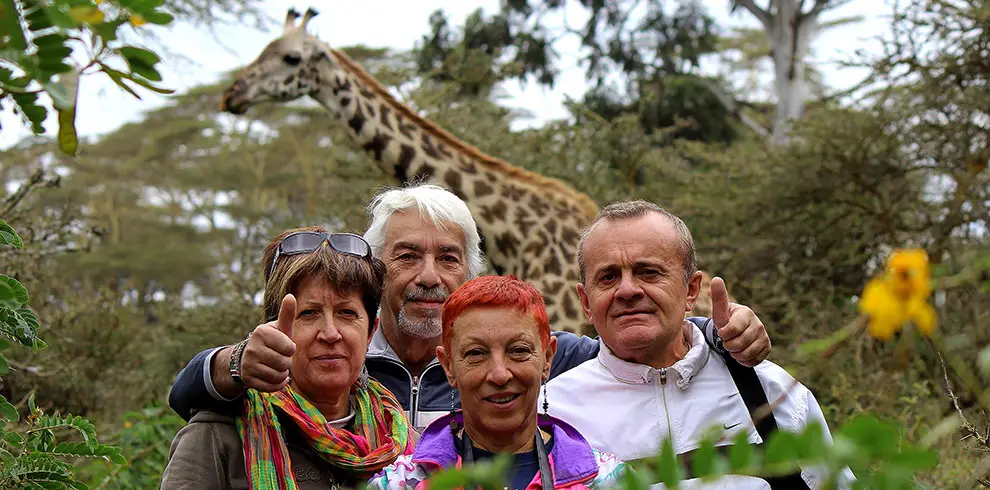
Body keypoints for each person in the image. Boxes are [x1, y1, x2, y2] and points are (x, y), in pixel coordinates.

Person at [167, 184, 773, 431]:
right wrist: (234, 363)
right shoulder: (333, 354)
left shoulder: (530, 359)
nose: (430, 277)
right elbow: (188, 392)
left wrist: (716, 333)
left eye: (449, 258)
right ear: (376, 272)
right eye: (407, 256)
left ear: (471, 273)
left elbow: (635, 342)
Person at [541, 201, 855, 489]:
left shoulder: (771, 392)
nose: (627, 290)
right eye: (608, 277)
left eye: (648, 272)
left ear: (691, 290)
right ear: (586, 302)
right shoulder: (550, 416)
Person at [160, 227, 415, 489]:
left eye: (346, 313)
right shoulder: (216, 435)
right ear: (275, 330)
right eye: (308, 313)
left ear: (371, 331)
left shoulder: (406, 445)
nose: (330, 333)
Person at [369, 275, 624, 490]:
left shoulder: (607, 481)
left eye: (519, 350)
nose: (500, 375)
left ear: (547, 358)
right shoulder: (402, 483)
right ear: (448, 366)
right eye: (476, 354)